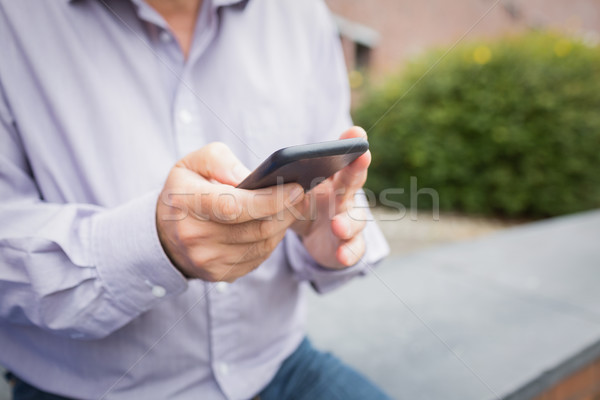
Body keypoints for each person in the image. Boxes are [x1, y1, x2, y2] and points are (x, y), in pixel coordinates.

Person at [0, 0, 390, 399]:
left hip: (279, 365)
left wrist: (317, 232)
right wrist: (154, 243)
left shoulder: (299, 12)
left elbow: (335, 183)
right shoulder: (13, 21)